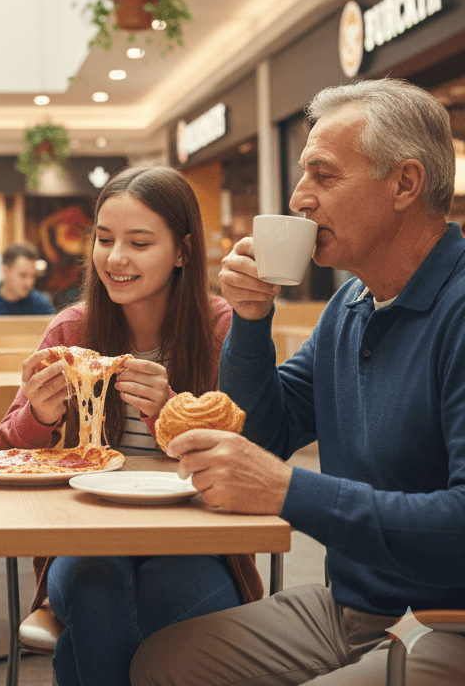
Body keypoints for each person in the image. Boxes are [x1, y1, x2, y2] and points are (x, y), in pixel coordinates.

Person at [131, 79, 465, 686]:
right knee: (161, 664)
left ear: (405, 184)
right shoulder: (351, 306)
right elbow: (264, 433)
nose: (298, 198)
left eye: (323, 175)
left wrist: (288, 491)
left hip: (449, 622)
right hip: (352, 608)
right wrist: (250, 320)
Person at [0, 166, 262, 686]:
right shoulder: (71, 329)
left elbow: (254, 457)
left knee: (126, 617)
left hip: (197, 541)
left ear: (182, 251)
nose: (115, 258)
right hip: (86, 537)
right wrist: (38, 416)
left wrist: (170, 412)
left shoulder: (221, 328)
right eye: (104, 239)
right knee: (96, 588)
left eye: (139, 243)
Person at [0, 242, 54, 315]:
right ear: (5, 271)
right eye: (23, 275)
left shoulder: (42, 304)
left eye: (33, 276)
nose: (29, 283)